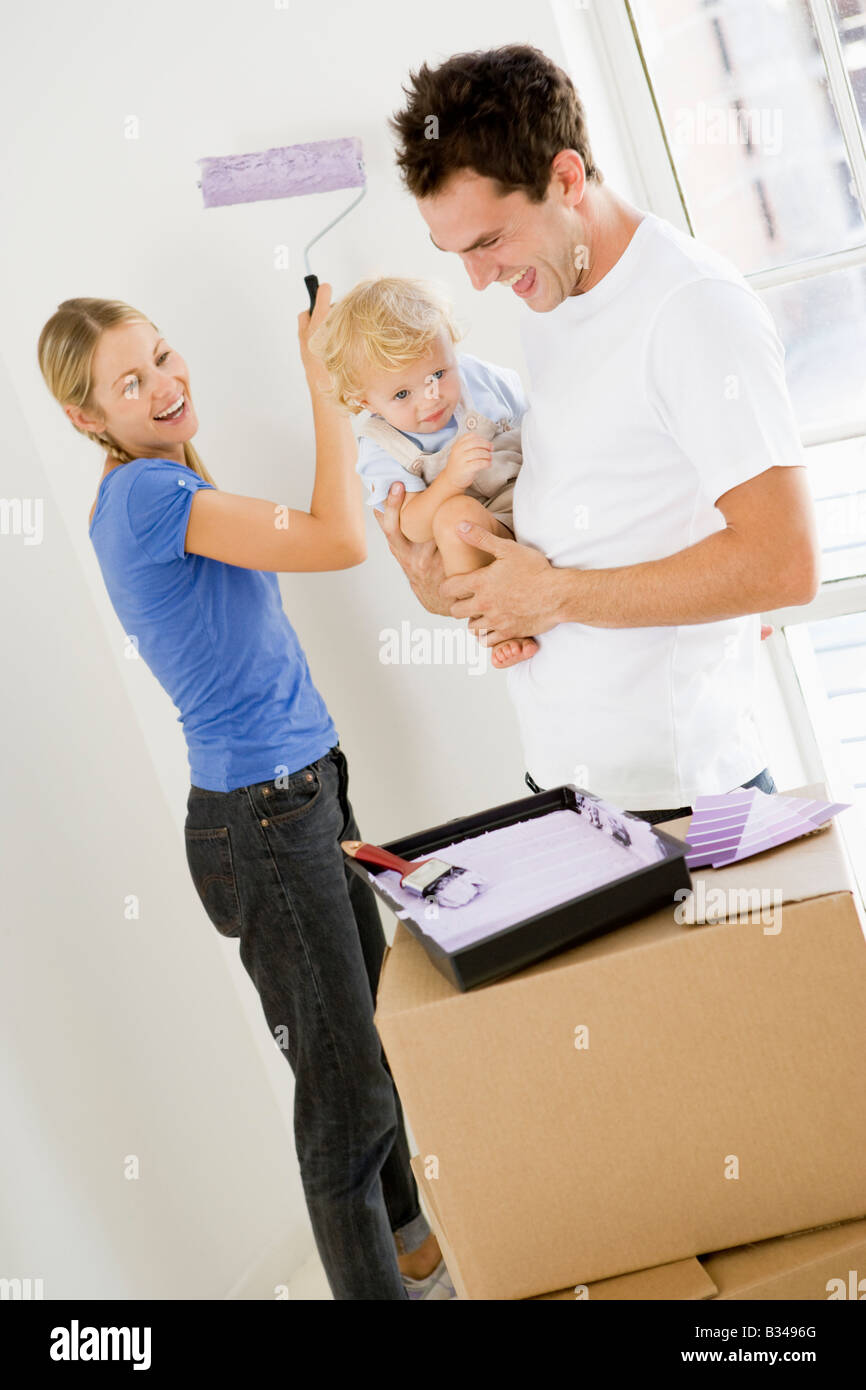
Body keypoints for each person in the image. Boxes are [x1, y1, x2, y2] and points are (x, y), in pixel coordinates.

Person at [37, 288, 452, 1300]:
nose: (164, 383)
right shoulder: (149, 497)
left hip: (302, 792)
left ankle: (413, 1249)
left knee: (370, 1048)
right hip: (266, 821)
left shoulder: (170, 481)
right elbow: (337, 539)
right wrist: (323, 383)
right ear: (86, 417)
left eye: (162, 355)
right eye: (129, 383)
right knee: (344, 1099)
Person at [375, 43, 821, 824]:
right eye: (457, 254)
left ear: (566, 178)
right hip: (568, 782)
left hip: (683, 799)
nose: (479, 279)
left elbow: (783, 563)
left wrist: (553, 596)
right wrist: (455, 580)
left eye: (490, 242)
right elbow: (600, 508)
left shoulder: (692, 310)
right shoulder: (556, 295)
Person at [307, 274, 538, 668]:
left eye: (438, 375)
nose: (429, 399)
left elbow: (536, 424)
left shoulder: (480, 378)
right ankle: (498, 626)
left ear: (451, 345)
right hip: (491, 532)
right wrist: (450, 480)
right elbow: (411, 527)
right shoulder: (381, 447)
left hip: (536, 493)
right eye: (402, 394)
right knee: (454, 519)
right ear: (365, 401)